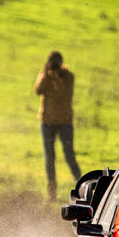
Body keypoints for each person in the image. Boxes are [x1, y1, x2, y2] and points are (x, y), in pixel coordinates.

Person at [35, 51, 81, 199]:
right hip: (47, 121)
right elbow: (38, 91)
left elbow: (65, 94)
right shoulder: (44, 76)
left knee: (69, 155)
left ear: (61, 63)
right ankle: (51, 190)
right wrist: (46, 75)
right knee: (49, 157)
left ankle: (81, 186)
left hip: (64, 121)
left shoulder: (68, 77)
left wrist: (57, 78)